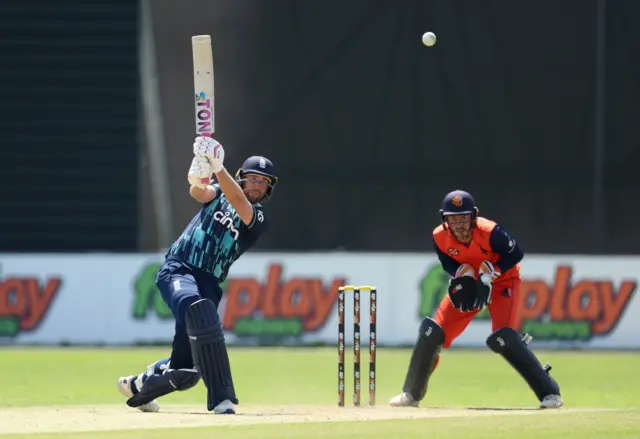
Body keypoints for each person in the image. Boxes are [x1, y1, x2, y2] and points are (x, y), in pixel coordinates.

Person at [116, 136, 278, 414]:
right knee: (196, 307)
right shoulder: (219, 190)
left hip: (210, 282)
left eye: (262, 182)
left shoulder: (258, 218)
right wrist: (198, 174)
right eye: (251, 179)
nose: (256, 186)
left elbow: (238, 200)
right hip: (180, 267)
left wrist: (216, 164)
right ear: (241, 178)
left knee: (187, 369)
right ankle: (222, 399)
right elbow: (198, 193)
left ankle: (138, 384)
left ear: (267, 190)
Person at [389, 190, 563, 409]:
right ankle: (411, 394)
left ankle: (550, 393)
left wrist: (494, 270)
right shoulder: (439, 236)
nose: (459, 225)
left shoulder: (490, 232)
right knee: (431, 333)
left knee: (505, 339)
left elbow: (516, 253)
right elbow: (447, 261)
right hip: (471, 283)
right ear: (445, 220)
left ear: (473, 216)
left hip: (502, 282)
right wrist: (461, 272)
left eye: (463, 218)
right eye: (453, 219)